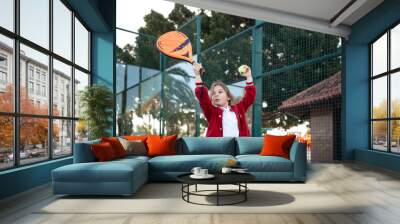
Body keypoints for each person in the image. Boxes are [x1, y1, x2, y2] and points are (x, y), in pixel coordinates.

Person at [193, 63, 256, 137]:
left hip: (238, 147)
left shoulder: (239, 108)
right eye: (213, 93)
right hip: (219, 148)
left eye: (220, 92)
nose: (216, 94)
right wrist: (197, 75)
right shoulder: (211, 111)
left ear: (228, 97)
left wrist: (249, 76)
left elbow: (250, 96)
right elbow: (202, 96)